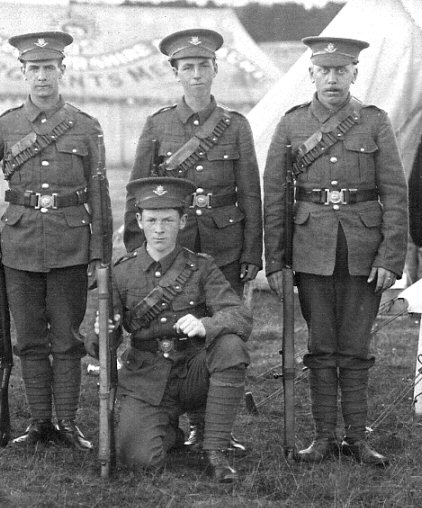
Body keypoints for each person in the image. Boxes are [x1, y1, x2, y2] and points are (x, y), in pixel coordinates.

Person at [263, 37, 408, 466]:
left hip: (363, 251)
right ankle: (324, 437)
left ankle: (358, 439)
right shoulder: (292, 125)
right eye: (324, 70)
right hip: (310, 251)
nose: (332, 78)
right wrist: (277, 261)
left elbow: (395, 194)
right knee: (321, 344)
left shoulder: (374, 122)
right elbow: (275, 197)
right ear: (310, 73)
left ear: (354, 74)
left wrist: (390, 257)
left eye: (341, 71)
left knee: (357, 346)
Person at [0, 31, 110, 451]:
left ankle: (67, 422)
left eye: (49, 68)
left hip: (70, 245)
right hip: (19, 245)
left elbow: (99, 193)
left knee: (67, 338)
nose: (42, 76)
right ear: (23, 73)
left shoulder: (86, 126)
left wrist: (98, 253)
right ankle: (40, 423)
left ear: (62, 70)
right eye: (34, 69)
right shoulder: (4, 125)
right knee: (28, 338)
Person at [122, 28, 261, 452]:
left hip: (224, 245)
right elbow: (137, 189)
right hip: (171, 246)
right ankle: (165, 411)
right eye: (188, 67)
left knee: (217, 334)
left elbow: (250, 193)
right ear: (176, 73)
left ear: (216, 69)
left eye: (204, 66)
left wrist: (251, 253)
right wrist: (135, 249)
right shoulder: (159, 124)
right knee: (169, 328)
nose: (196, 74)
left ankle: (211, 427)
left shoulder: (236, 126)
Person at [93, 176, 251, 482]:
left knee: (230, 345)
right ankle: (167, 431)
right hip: (145, 377)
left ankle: (215, 450)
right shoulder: (120, 272)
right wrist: (104, 332)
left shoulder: (202, 267)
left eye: (168, 220)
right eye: (152, 220)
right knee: (140, 461)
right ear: (139, 221)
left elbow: (239, 316)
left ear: (182, 221)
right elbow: (98, 339)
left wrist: (206, 325)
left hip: (192, 372)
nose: (159, 229)